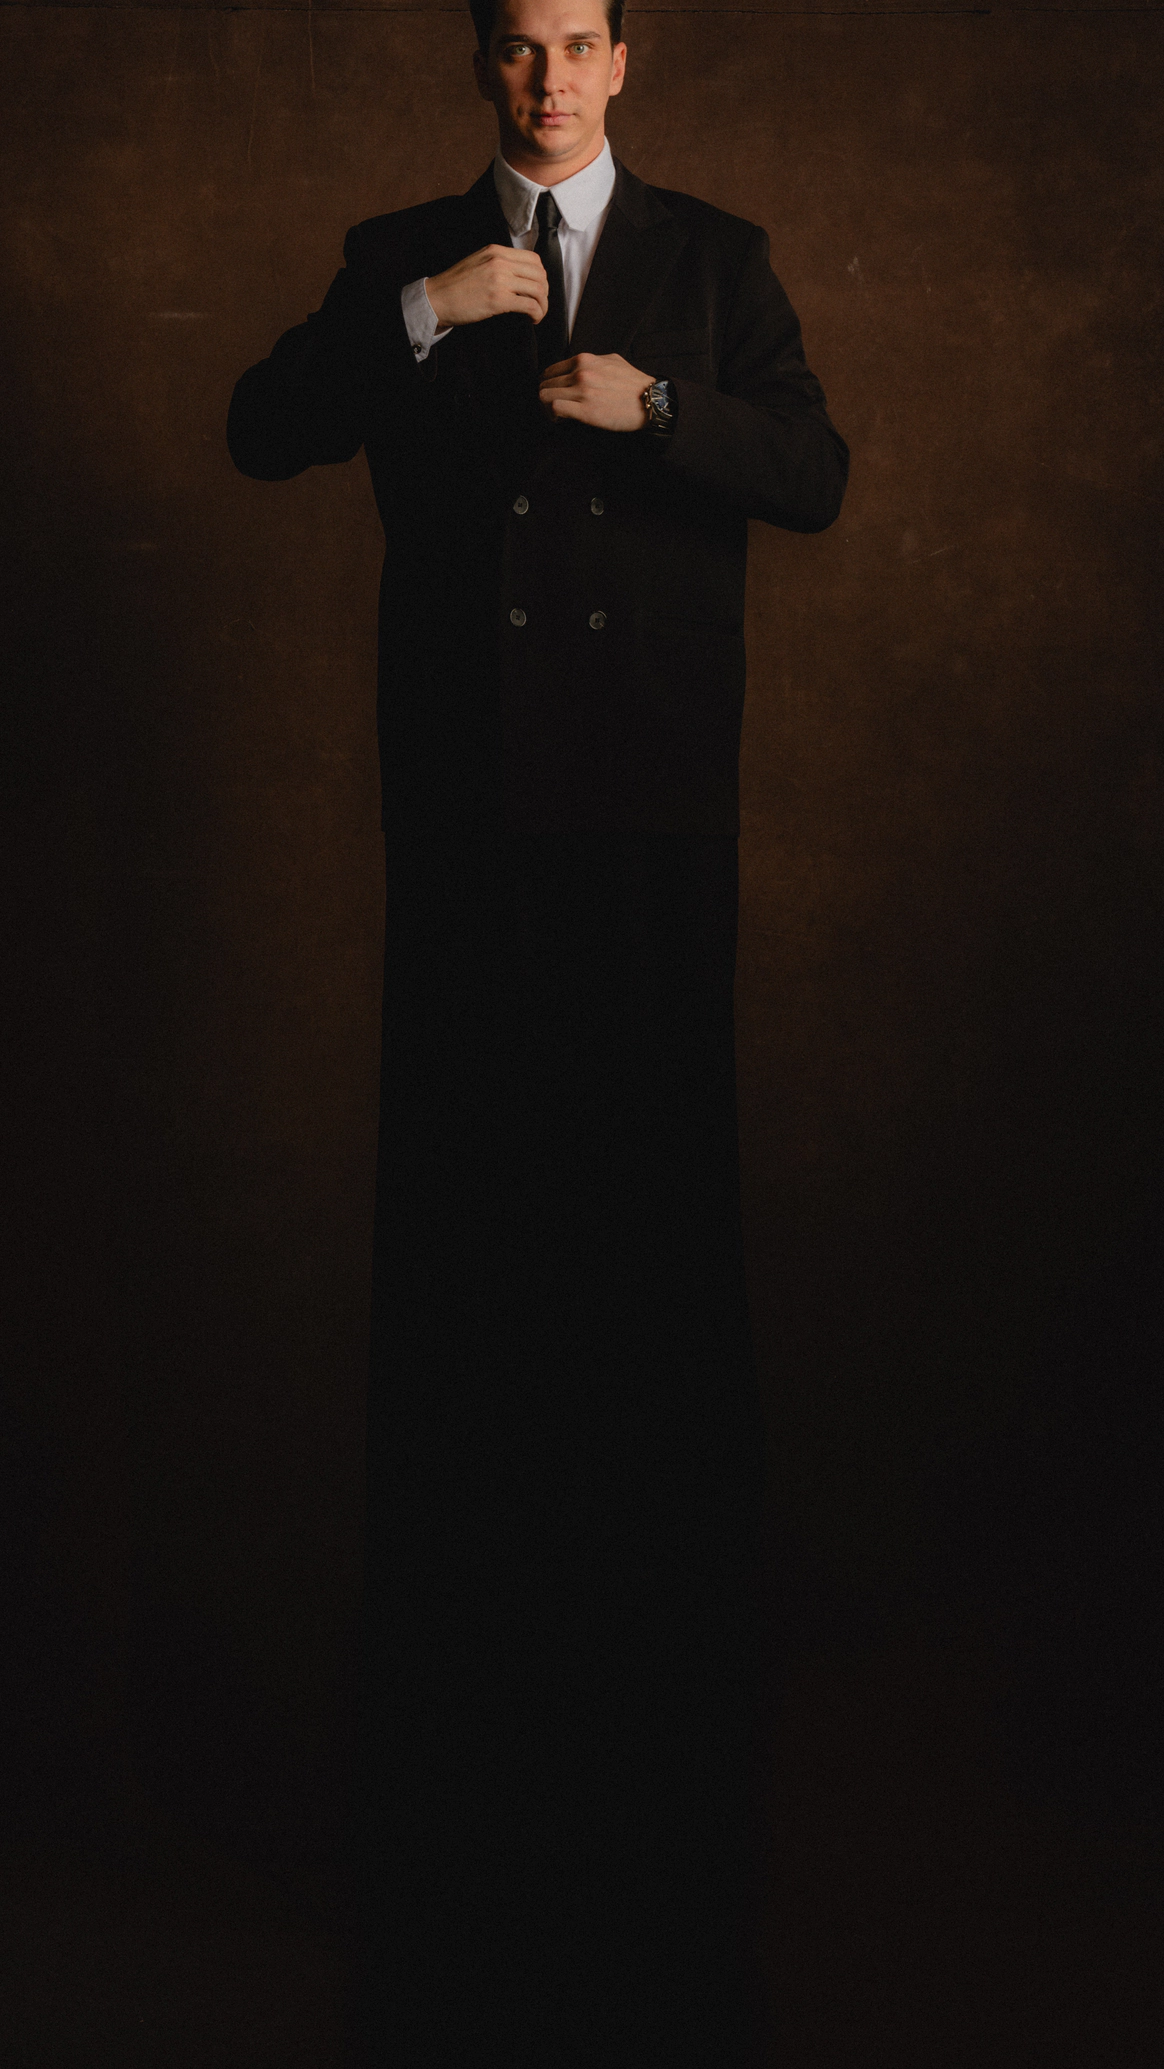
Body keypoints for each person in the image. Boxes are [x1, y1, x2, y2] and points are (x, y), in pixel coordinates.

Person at [228, 2, 847, 2062]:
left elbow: (818, 472)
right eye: (517, 45)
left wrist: (660, 407)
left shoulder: (715, 261)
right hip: (473, 829)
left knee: (649, 1243)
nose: (550, 78)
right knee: (474, 1243)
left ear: (626, 59)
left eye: (581, 41)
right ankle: (468, 1742)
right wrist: (424, 314)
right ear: (480, 66)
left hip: (651, 821)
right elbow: (261, 428)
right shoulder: (397, 257)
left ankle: (662, 1740)